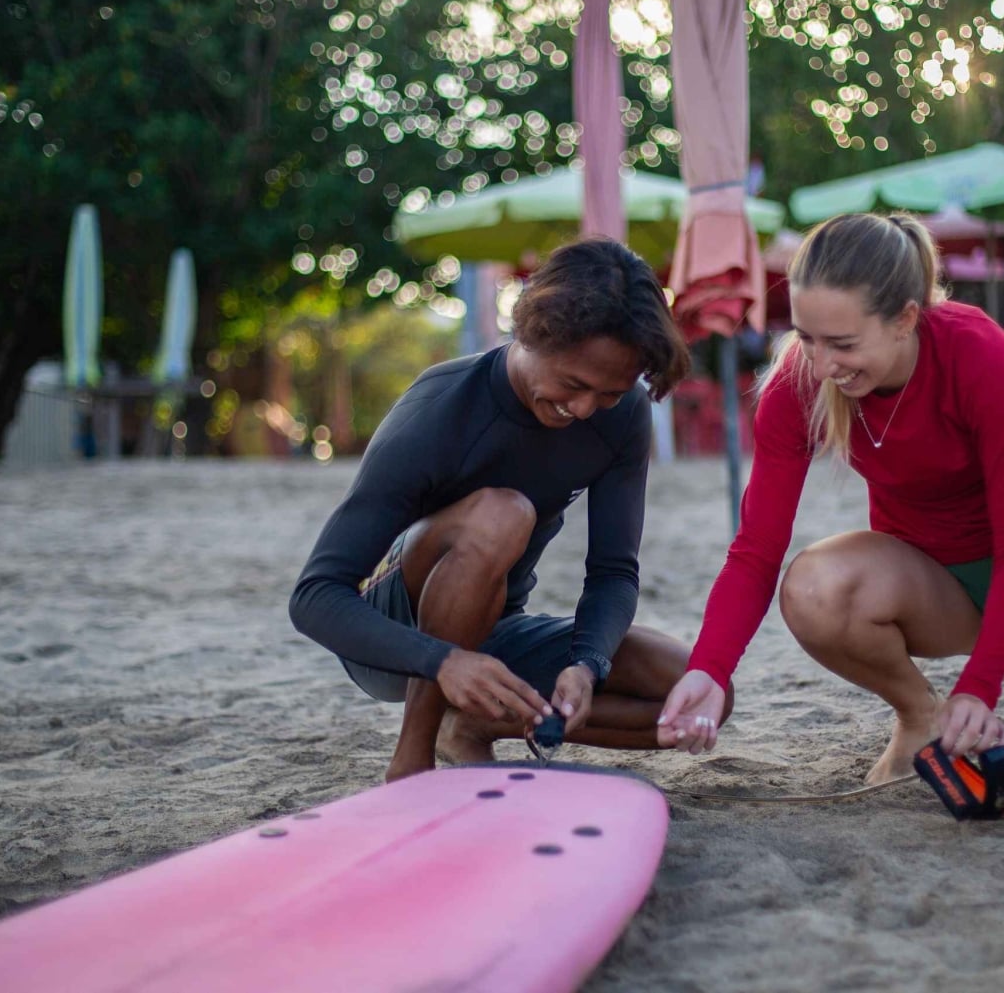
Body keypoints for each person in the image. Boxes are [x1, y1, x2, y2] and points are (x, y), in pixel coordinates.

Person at [655, 213, 1004, 803]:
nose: (821, 364)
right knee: (811, 585)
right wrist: (711, 668)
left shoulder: (975, 349)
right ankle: (920, 717)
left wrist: (980, 687)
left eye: (843, 344)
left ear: (905, 320)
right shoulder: (799, 384)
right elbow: (756, 552)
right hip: (934, 592)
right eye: (807, 338)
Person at [291, 238, 721, 782]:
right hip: (394, 640)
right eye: (573, 384)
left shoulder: (622, 417)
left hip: (496, 632)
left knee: (695, 690)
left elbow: (613, 570)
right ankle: (413, 757)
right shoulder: (439, 410)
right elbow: (315, 596)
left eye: (608, 394)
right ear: (532, 331)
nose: (584, 408)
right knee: (505, 513)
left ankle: (471, 727)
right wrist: (442, 660)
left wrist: (587, 665)